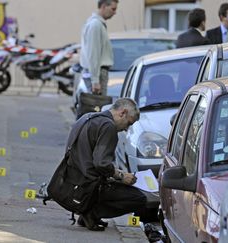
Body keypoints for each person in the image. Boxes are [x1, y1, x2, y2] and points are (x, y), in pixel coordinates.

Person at [66, 98, 146, 231]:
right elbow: (101, 164)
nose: (126, 129)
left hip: (73, 181)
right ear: (123, 113)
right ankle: (91, 213)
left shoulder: (88, 117)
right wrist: (121, 175)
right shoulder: (108, 126)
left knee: (116, 184)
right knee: (138, 198)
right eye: (128, 123)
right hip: (89, 185)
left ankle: (88, 213)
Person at [79, 0, 117, 97]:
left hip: (97, 72)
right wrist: (95, 80)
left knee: (97, 107)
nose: (115, 12)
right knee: (97, 106)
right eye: (113, 9)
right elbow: (93, 54)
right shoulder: (95, 25)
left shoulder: (96, 24)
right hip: (97, 73)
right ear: (104, 6)